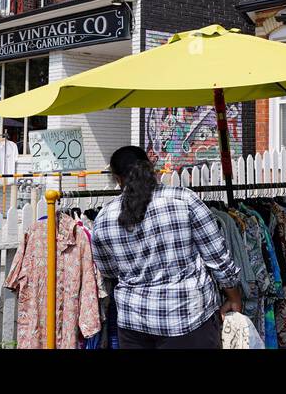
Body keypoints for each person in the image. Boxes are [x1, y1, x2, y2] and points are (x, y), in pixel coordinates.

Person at [91, 145, 242, 349]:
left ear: (117, 179)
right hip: (187, 318)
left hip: (134, 323)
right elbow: (216, 256)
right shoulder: (183, 199)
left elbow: (108, 269)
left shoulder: (105, 216)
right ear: (151, 168)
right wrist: (233, 295)